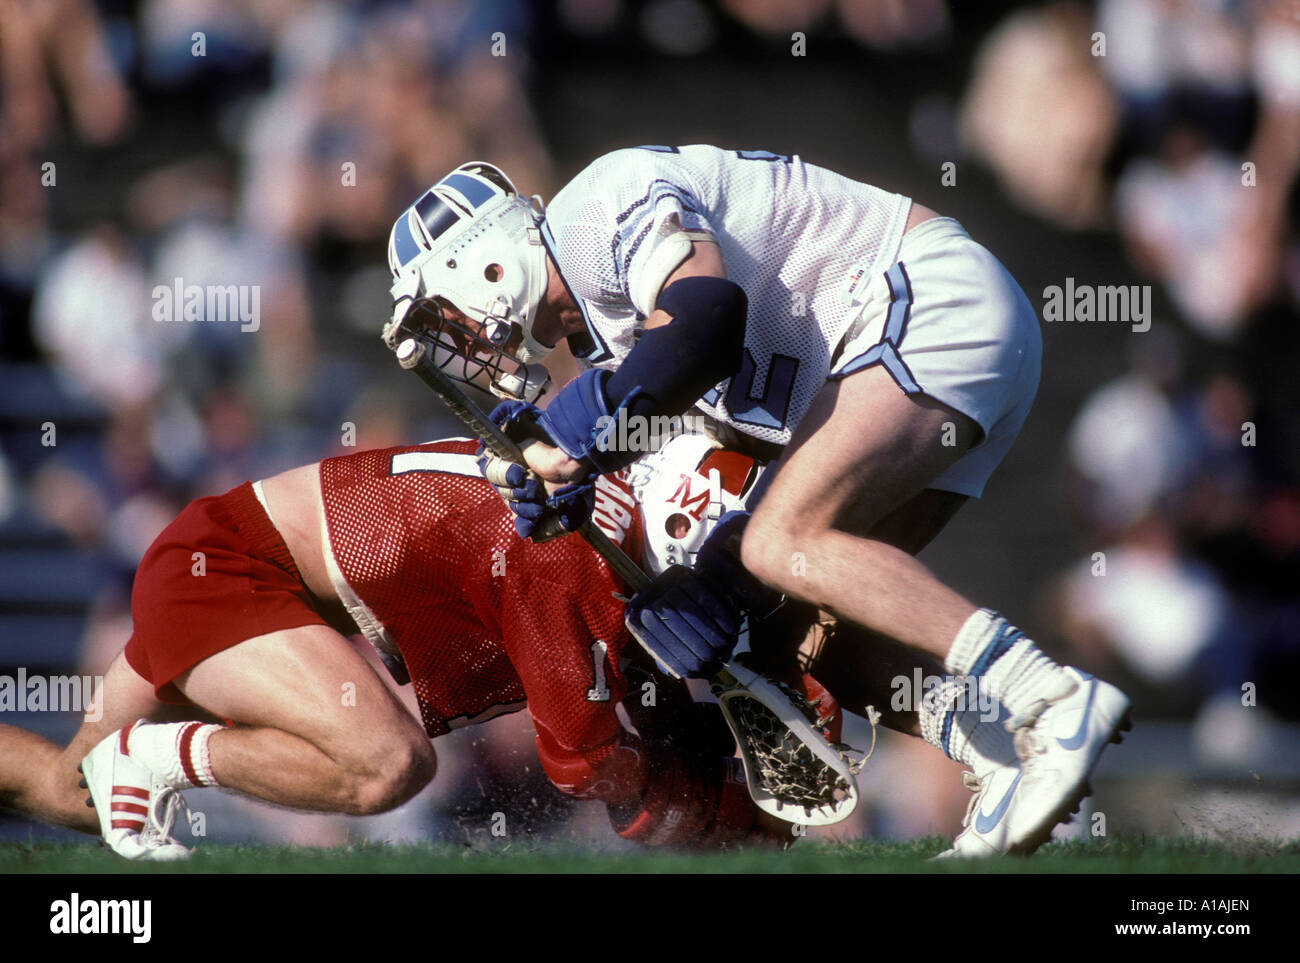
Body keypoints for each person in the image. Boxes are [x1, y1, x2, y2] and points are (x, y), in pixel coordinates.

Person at [381, 147, 1132, 855]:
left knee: (780, 545)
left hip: (928, 298)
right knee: (771, 602)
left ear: (483, 262)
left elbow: (705, 320)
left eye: (448, 316)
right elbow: (686, 440)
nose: (464, 346)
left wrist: (578, 433)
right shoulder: (604, 337)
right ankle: (995, 747)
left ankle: (1049, 696)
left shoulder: (593, 210)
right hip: (906, 352)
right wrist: (579, 494)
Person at [0, 434, 787, 860]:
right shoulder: (567, 551)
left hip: (226, 560)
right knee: (388, 763)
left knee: (73, 791)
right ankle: (153, 752)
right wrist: (734, 804)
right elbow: (585, 765)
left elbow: (643, 709)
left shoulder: (592, 509)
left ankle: (139, 756)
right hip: (226, 567)